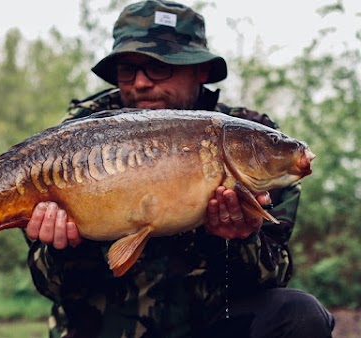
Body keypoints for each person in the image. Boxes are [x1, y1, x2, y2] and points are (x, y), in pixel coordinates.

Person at [24, 1, 335, 337]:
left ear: (199, 70)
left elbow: (274, 276)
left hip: (209, 324)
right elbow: (52, 287)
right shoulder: (75, 142)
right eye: (128, 69)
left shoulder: (251, 143)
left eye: (159, 66)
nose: (141, 82)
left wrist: (240, 239)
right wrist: (65, 246)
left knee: (300, 315)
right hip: (104, 327)